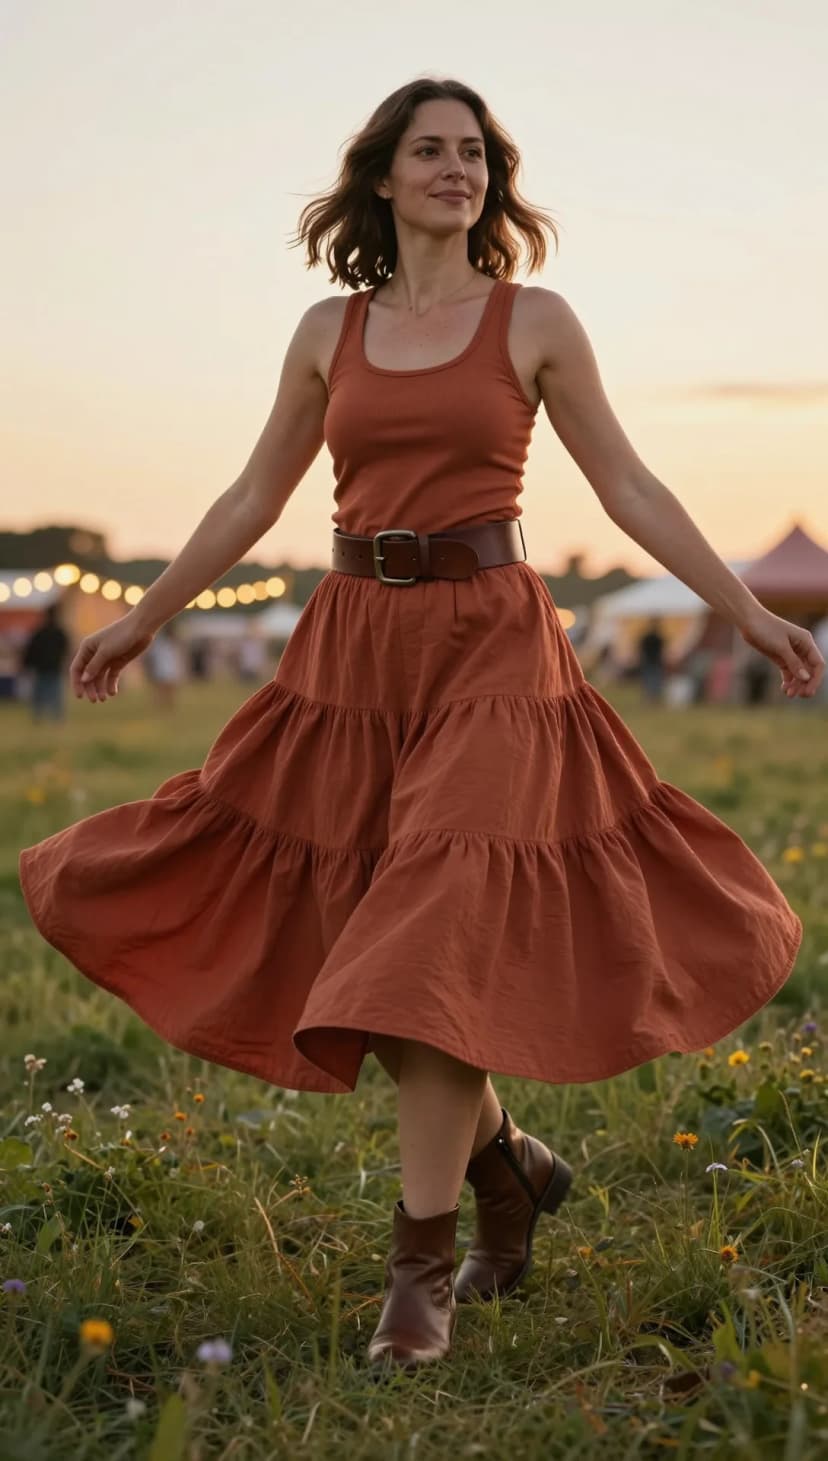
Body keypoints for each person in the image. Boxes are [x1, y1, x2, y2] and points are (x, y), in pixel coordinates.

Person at [17, 78, 825, 1376]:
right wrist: (146, 615)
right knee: (379, 952)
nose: (456, 169)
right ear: (383, 178)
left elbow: (626, 483)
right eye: (428, 151)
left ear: (490, 181)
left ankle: (419, 1273)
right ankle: (508, 1165)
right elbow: (249, 494)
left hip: (498, 646)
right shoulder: (328, 333)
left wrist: (744, 611)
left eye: (474, 153)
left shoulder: (536, 320)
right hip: (355, 649)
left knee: (434, 933)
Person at [19, 602, 71, 722]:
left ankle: (39, 718)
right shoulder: (60, 633)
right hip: (54, 668)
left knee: (39, 695)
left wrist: (26, 664)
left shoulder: (39, 632)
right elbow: (66, 650)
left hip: (42, 668)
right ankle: (57, 718)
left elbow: (30, 651)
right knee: (55, 695)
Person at [637, 616, 665, 703]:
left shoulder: (649, 637)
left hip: (652, 662)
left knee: (651, 680)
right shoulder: (656, 637)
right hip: (652, 662)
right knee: (652, 680)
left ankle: (651, 698)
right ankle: (651, 698)